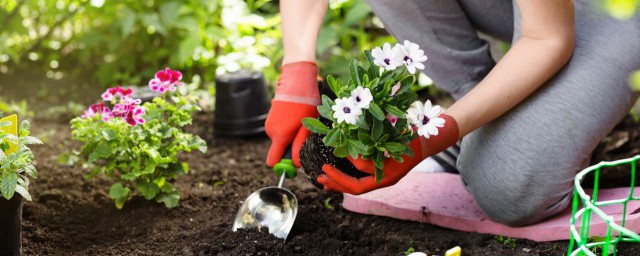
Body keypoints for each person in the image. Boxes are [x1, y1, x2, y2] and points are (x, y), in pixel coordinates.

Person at [264, 0, 640, 226]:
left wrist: (432, 137)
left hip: (617, 12)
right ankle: (483, 116)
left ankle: (490, 134)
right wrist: (296, 71)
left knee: (506, 189)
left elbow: (548, 37)